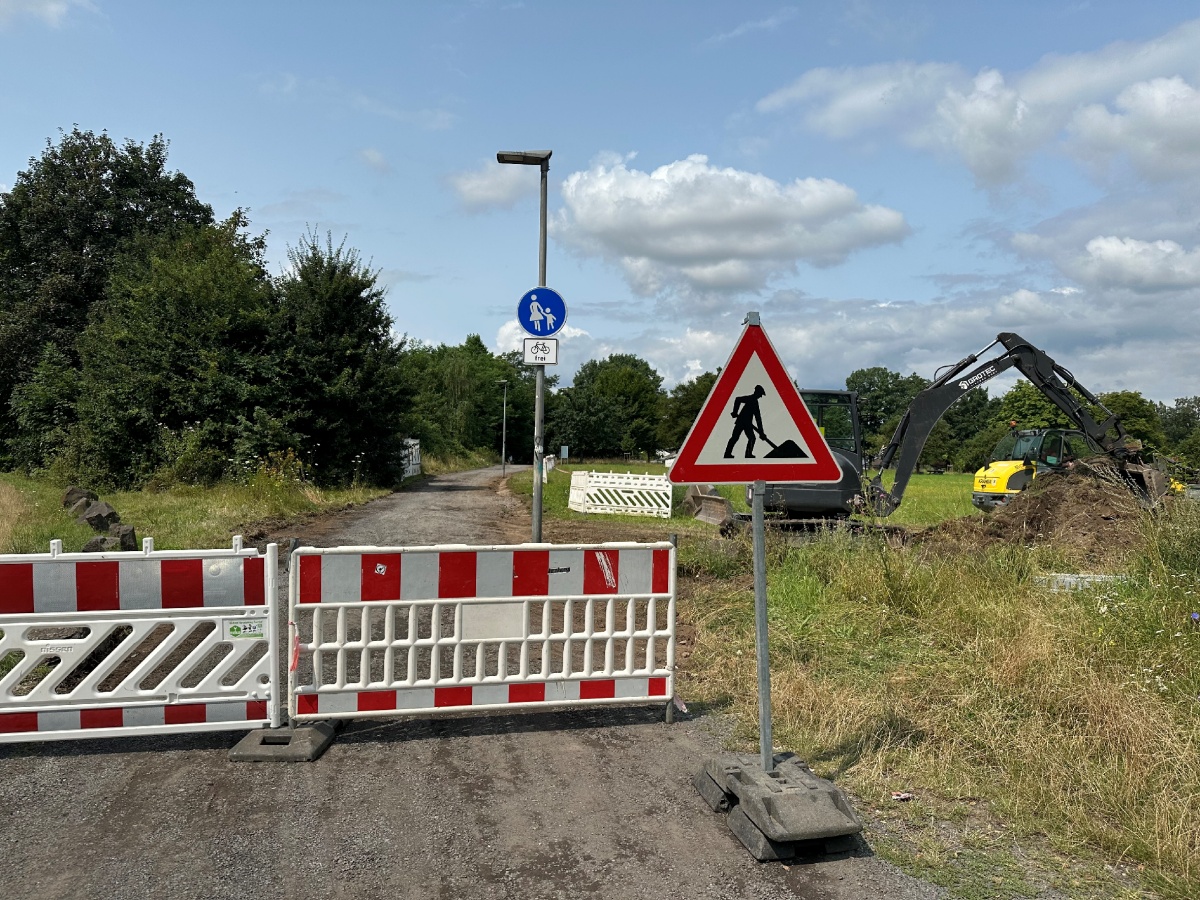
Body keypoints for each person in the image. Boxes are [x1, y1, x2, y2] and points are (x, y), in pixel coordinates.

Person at [724, 385, 767, 458]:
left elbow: (758, 418)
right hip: (742, 422)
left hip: (746, 423)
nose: (761, 396)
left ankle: (744, 454)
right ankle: (745, 454)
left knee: (739, 438)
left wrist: (761, 432)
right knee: (741, 438)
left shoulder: (755, 402)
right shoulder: (751, 399)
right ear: (757, 392)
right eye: (760, 394)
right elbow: (738, 399)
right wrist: (735, 412)